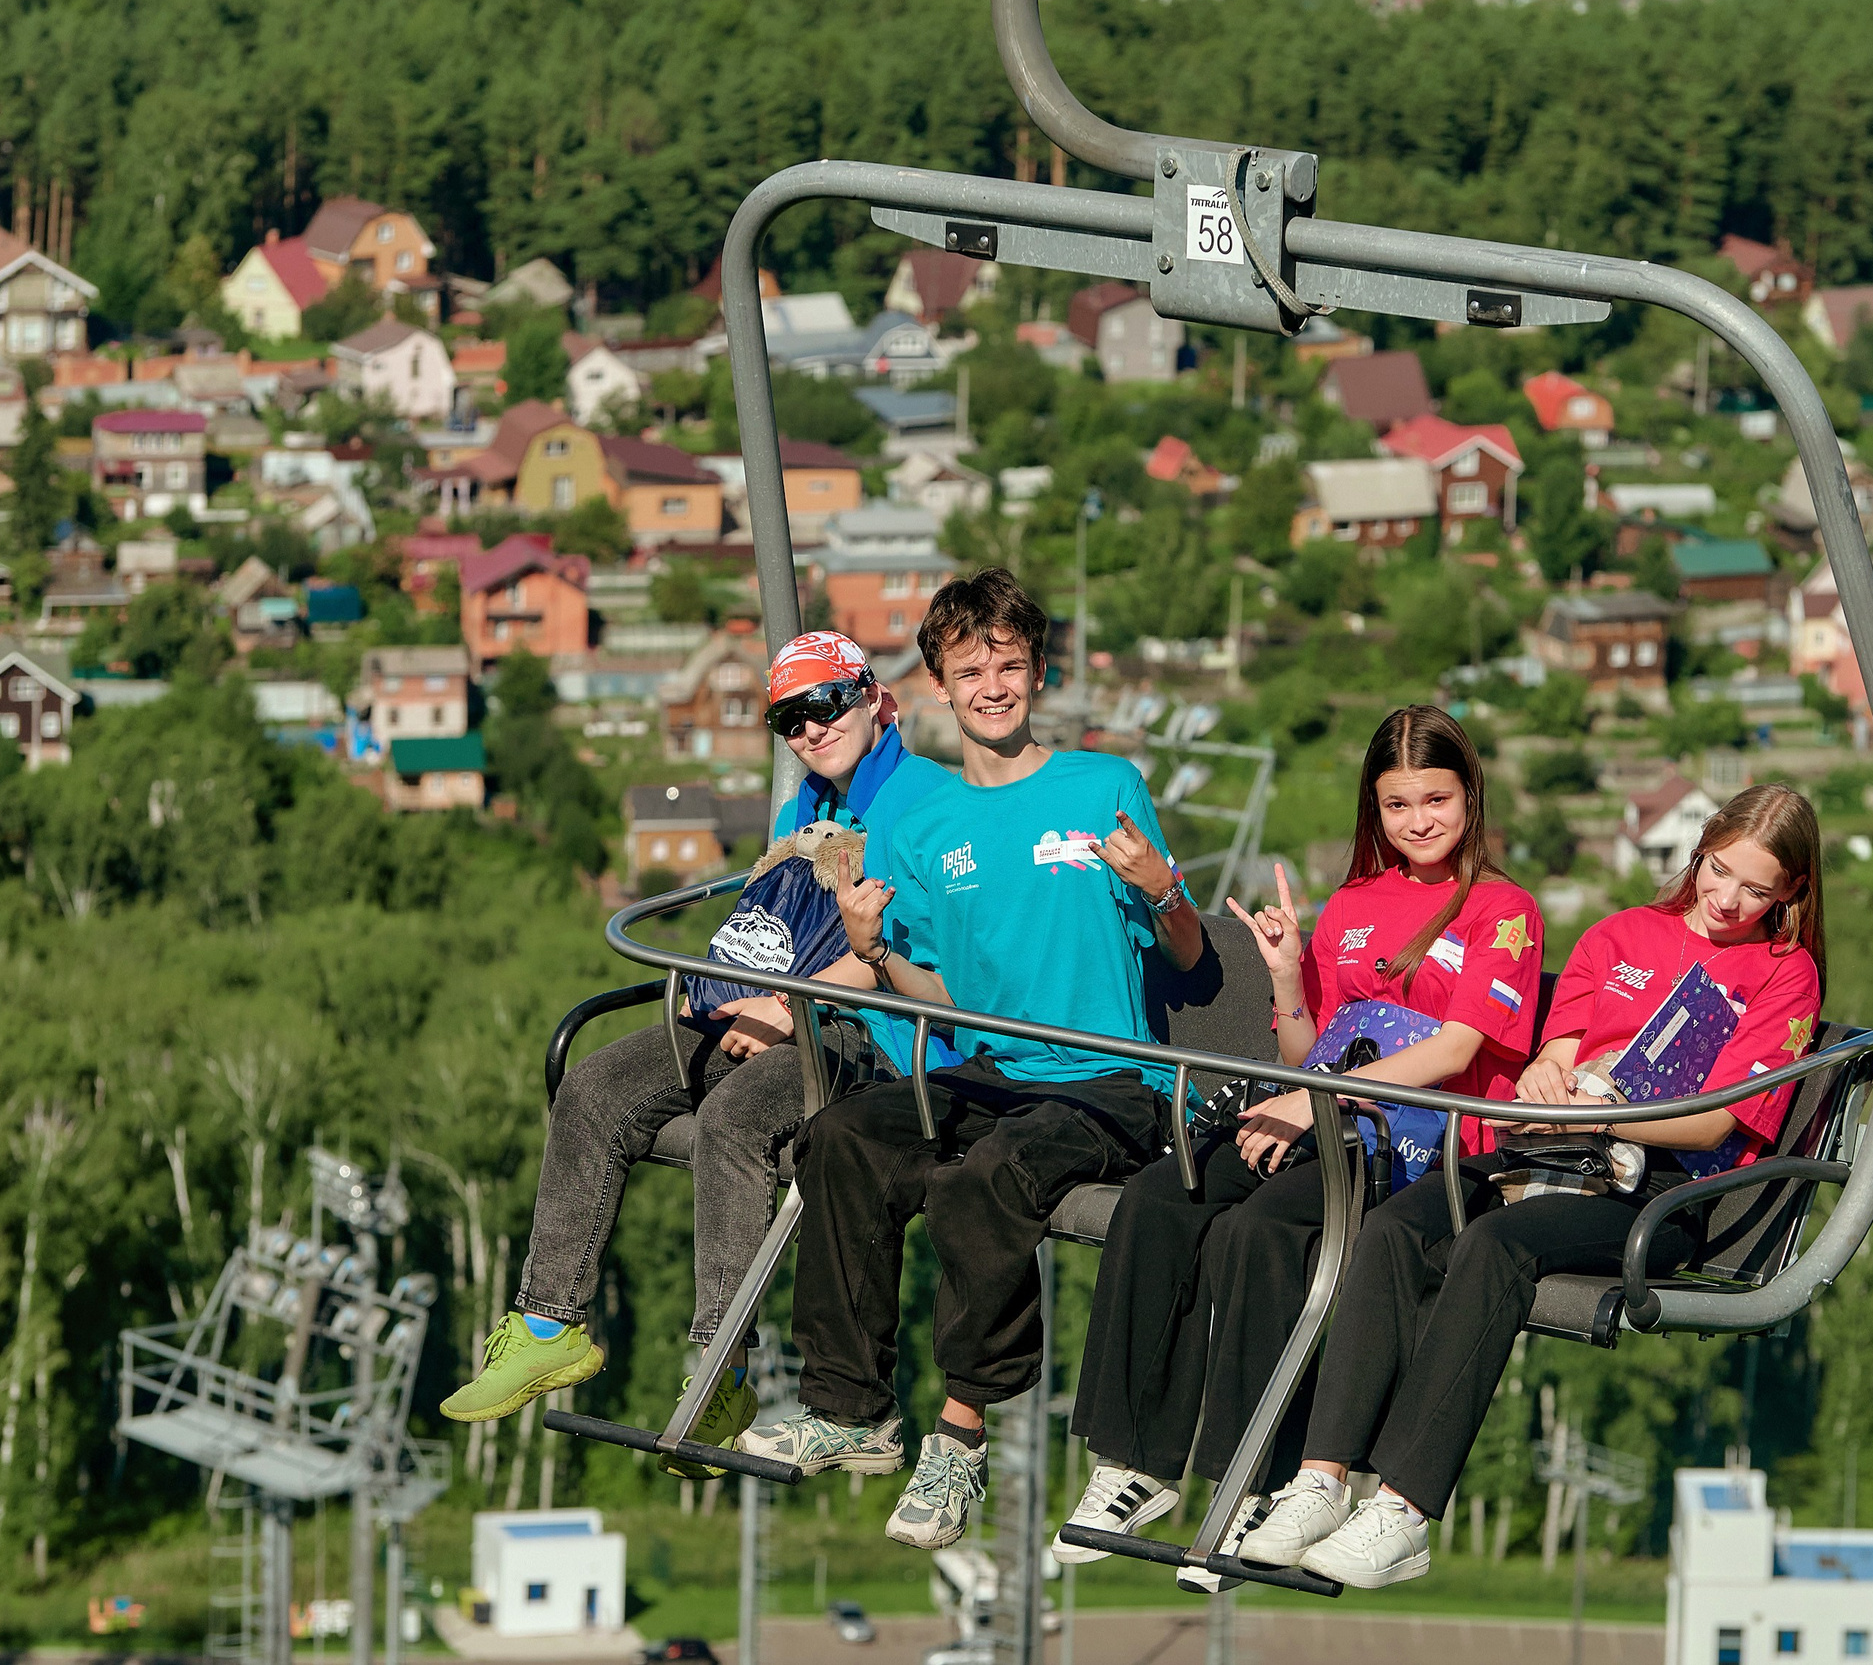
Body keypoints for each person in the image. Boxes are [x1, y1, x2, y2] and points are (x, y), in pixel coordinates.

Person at [1237, 782, 1827, 1589]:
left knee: (1494, 1246)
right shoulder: (1621, 936)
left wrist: (1609, 1116)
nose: (1726, 899)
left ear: (1791, 891)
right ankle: (1320, 1478)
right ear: (1700, 852)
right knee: (1397, 1227)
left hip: (1656, 1192)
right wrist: (1549, 1080)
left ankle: (1403, 1508)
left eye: (1755, 890)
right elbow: (1556, 1052)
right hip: (1553, 1152)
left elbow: (1712, 1124)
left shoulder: (1784, 976)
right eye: (1718, 871)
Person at [736, 567, 1205, 1551]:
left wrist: (1161, 888)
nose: (993, 687)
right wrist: (874, 952)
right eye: (971, 671)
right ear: (939, 688)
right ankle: (851, 1408)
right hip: (995, 1069)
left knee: (982, 1179)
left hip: (1109, 1077)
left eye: (1009, 665)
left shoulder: (1103, 787)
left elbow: (1187, 953)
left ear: (1037, 671)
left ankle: (959, 1432)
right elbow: (944, 997)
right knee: (841, 1136)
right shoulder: (926, 827)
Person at [442, 631, 953, 1479]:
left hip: (869, 1029)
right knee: (595, 1087)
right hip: (776, 1003)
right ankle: (546, 1324)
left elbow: (908, 952)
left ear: (875, 699)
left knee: (734, 1119)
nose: (811, 728)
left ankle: (724, 1364)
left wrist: (787, 1006)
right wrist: (730, 992)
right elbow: (776, 925)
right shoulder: (805, 809)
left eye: (827, 704)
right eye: (789, 718)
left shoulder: (928, 804)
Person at [1059, 705, 1543, 1590]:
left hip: (1419, 1147)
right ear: (1374, 809)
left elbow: (1456, 1051)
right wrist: (1287, 979)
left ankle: (1251, 1479)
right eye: (1397, 804)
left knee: (1262, 1231)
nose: (1419, 821)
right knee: (1164, 1195)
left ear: (1470, 797)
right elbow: (1305, 1050)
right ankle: (1133, 1463)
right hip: (1324, 1115)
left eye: (1437, 799)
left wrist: (1312, 1100)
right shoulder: (1352, 906)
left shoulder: (1502, 911)